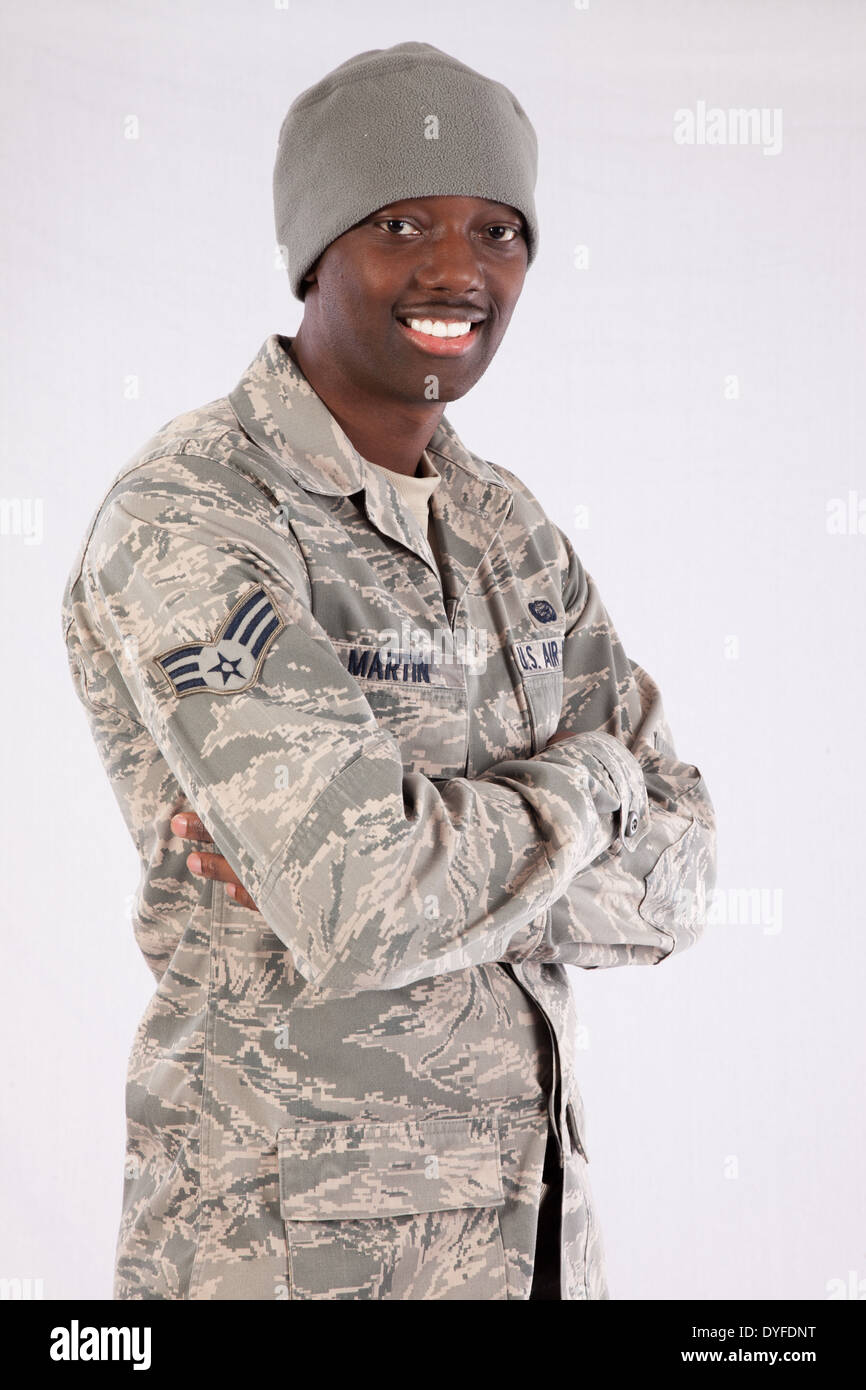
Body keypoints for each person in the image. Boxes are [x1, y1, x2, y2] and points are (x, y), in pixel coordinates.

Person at [61, 40, 717, 1301]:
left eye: (499, 231)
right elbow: (366, 898)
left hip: (529, 1249)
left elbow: (684, 882)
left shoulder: (505, 526)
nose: (457, 270)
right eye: (401, 221)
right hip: (289, 1256)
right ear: (314, 249)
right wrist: (589, 787)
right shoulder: (195, 514)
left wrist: (428, 844)